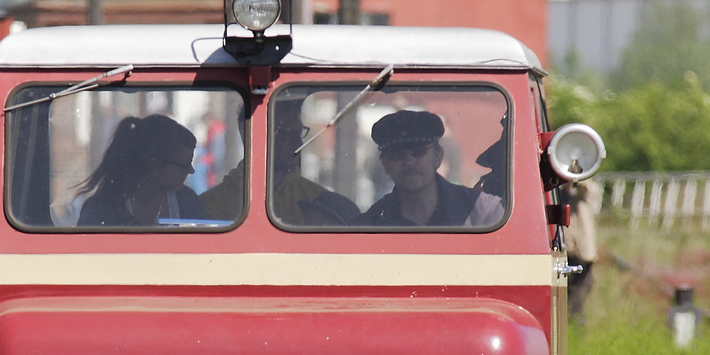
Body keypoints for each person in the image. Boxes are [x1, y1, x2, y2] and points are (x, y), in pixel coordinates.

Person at [201, 96, 359, 225]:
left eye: (299, 133)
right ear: (254, 137)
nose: (298, 144)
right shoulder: (209, 206)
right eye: (286, 134)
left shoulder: (318, 202)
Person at [356, 110, 504, 228]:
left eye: (418, 152)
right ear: (385, 164)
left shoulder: (483, 211)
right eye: (397, 155)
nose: (409, 162)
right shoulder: (370, 224)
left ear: (438, 157)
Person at [75, 113, 207, 226]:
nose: (191, 170)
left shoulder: (188, 202)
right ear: (155, 165)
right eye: (184, 165)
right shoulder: (100, 210)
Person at [563, 177, 602, 321]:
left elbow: (591, 190)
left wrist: (576, 177)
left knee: (578, 295)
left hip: (582, 254)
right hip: (566, 253)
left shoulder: (582, 196)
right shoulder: (561, 195)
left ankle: (576, 326)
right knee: (565, 294)